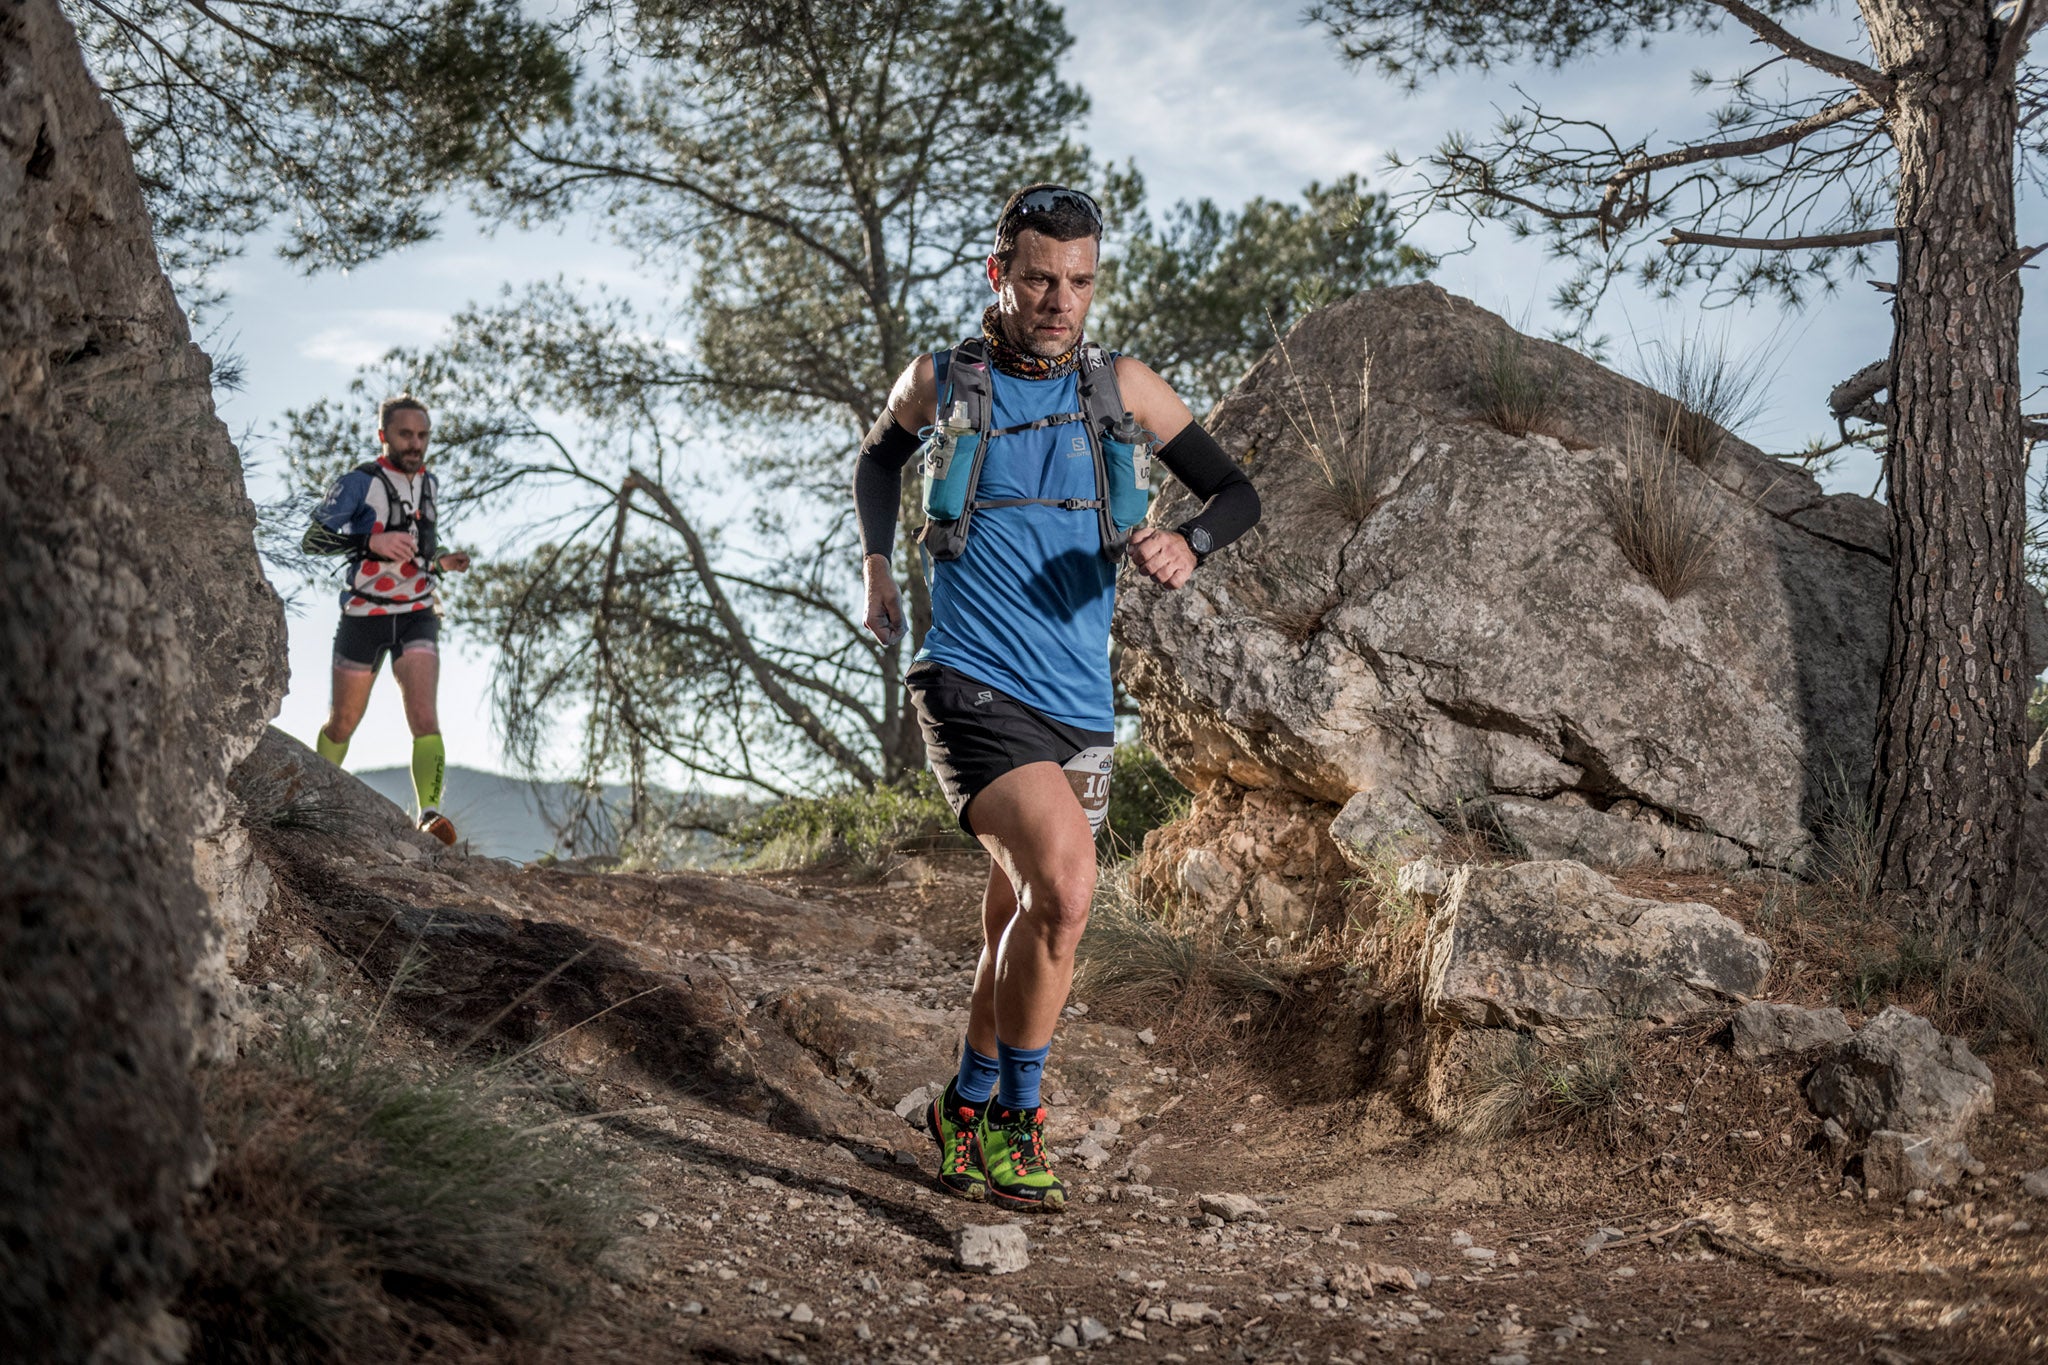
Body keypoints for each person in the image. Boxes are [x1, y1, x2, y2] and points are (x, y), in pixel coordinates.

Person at [854, 185, 1261, 1211]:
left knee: (1024, 916)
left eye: (1077, 281)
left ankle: (966, 1101)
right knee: (1070, 890)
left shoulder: (1121, 387)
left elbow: (1235, 492)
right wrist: (876, 566)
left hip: (1078, 702)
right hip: (966, 677)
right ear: (1000, 273)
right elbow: (878, 458)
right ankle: (1019, 1123)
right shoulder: (945, 379)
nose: (1057, 299)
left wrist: (1189, 543)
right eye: (1038, 277)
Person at [301, 394, 471, 845]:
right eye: (405, 434)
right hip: (364, 615)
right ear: (383, 436)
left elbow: (420, 551)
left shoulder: (429, 483)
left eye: (422, 435)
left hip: (417, 612)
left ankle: (430, 816)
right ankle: (311, 803)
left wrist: (440, 564)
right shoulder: (360, 482)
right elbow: (312, 542)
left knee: (424, 716)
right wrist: (369, 544)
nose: (415, 444)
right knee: (343, 722)